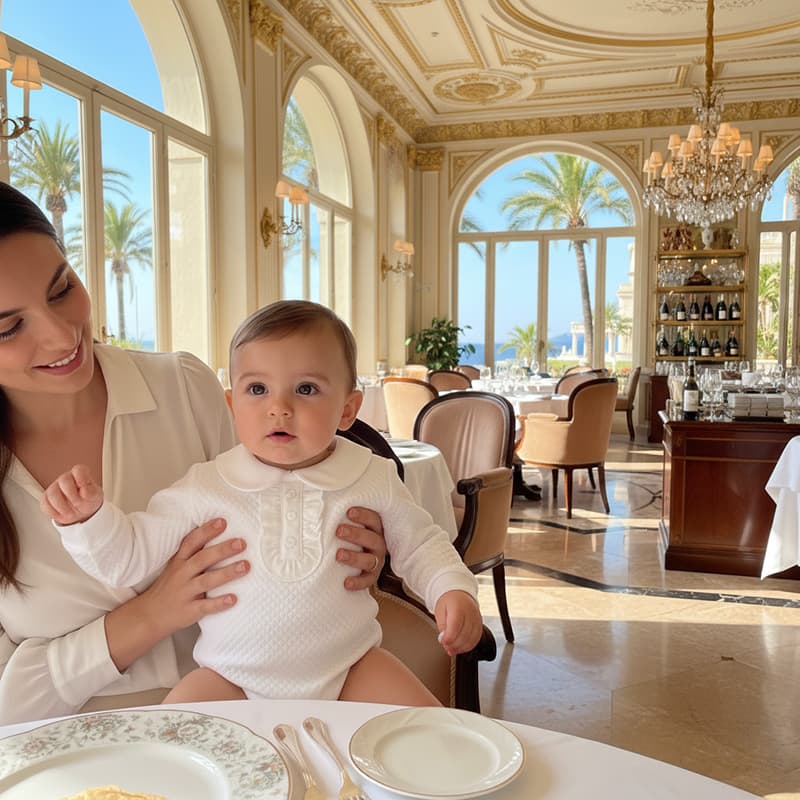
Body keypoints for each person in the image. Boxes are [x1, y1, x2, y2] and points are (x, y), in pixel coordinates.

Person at [0, 182, 388, 724]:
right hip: (60, 750)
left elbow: (292, 506)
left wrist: (351, 543)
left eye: (62, 289)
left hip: (250, 723)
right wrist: (148, 617)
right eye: (9, 328)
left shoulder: (182, 388)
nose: (63, 336)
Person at [43, 300, 484, 706]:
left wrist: (452, 589)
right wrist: (90, 523)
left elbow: (421, 543)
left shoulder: (372, 475)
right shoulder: (205, 486)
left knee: (431, 735)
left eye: (306, 389)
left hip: (352, 668)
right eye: (257, 390)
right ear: (232, 405)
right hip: (228, 678)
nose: (279, 408)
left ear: (348, 409)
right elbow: (131, 559)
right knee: (167, 747)